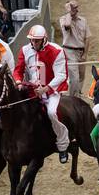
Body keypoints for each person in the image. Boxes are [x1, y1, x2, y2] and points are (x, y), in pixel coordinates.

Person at [13, 23, 71, 163]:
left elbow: (61, 75)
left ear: (44, 39)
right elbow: (18, 70)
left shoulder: (56, 50)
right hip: (31, 90)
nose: (34, 43)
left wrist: (46, 89)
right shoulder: (25, 50)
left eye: (37, 40)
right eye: (32, 40)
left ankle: (63, 145)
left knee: (51, 112)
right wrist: (19, 82)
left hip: (51, 91)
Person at [58, 0, 91, 98]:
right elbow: (68, 25)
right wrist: (69, 11)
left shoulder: (83, 20)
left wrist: (85, 54)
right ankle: (74, 99)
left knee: (81, 76)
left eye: (76, 7)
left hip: (81, 51)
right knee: (75, 78)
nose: (76, 10)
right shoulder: (63, 19)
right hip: (69, 52)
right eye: (73, 8)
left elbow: (88, 38)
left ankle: (77, 96)